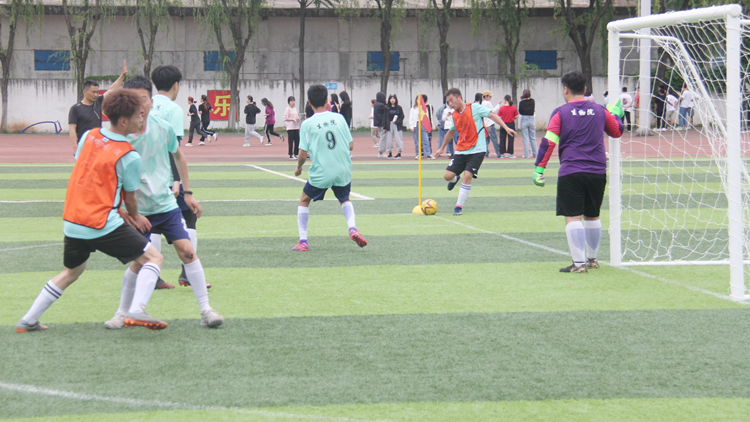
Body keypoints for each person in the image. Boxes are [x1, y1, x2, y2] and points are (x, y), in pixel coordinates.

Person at [17, 89, 167, 332]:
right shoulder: (129, 155)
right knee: (154, 258)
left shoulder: (89, 135)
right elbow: (130, 198)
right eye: (138, 115)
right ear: (123, 121)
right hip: (100, 223)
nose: (142, 119)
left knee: (71, 272)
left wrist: (117, 208)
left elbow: (91, 173)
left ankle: (28, 320)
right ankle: (137, 309)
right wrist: (135, 216)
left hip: (73, 220)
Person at [104, 76, 224, 329]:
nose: (140, 106)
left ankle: (206, 310)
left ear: (151, 101)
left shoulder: (162, 127)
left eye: (143, 99)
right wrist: (119, 208)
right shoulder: (119, 136)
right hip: (136, 209)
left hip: (165, 205)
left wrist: (187, 192)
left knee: (188, 251)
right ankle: (122, 313)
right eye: (134, 101)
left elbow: (178, 156)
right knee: (139, 262)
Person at [531, 70, 624, 273]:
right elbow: (616, 131)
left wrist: (539, 168)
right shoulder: (600, 110)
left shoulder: (560, 112)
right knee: (593, 215)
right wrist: (617, 114)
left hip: (571, 170)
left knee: (573, 217)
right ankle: (592, 260)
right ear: (584, 89)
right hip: (597, 170)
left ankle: (579, 264)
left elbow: (549, 142)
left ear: (565, 90)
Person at [292, 84, 367, 252]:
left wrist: (299, 168)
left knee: (304, 200)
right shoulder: (339, 118)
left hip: (322, 171)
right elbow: (351, 145)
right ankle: (353, 228)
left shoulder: (307, 124)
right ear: (327, 101)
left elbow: (302, 154)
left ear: (309, 102)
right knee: (345, 199)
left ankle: (303, 242)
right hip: (343, 169)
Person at [434, 87, 517, 216]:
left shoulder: (474, 108)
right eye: (448, 101)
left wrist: (506, 128)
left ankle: (458, 207)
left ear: (459, 98)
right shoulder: (455, 114)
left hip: (477, 149)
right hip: (461, 150)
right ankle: (455, 179)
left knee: (467, 176)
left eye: (451, 100)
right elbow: (451, 131)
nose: (450, 104)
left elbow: (492, 115)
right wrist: (441, 148)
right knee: (447, 176)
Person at [68, 60, 128, 152]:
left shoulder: (98, 102)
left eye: (97, 92)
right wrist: (75, 147)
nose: (96, 95)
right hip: (83, 146)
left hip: (97, 145)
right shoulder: (75, 108)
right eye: (93, 92)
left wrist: (122, 76)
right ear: (85, 92)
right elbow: (72, 129)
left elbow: (111, 90)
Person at [409, 95, 434, 159]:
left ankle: (428, 153)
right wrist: (411, 126)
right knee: (417, 140)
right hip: (416, 124)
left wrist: (427, 125)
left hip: (423, 123)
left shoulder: (424, 108)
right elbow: (411, 118)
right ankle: (418, 154)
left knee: (426, 139)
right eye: (418, 99)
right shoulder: (413, 108)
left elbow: (427, 117)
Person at [480, 90, 501, 158]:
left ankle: (486, 153)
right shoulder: (488, 103)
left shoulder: (481, 103)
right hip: (490, 123)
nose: (490, 97)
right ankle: (498, 153)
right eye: (490, 96)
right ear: (486, 96)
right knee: (494, 139)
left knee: (486, 140)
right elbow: (493, 111)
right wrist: (498, 104)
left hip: (485, 124)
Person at [518, 89, 537, 158]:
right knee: (533, 137)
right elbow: (533, 109)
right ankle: (535, 154)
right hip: (531, 118)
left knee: (525, 138)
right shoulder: (532, 101)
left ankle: (527, 154)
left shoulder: (521, 102)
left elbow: (520, 111)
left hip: (524, 118)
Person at [385, 94, 405, 159]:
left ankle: (399, 153)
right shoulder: (387, 108)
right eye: (391, 98)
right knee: (389, 139)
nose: (392, 100)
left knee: (399, 139)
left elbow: (402, 116)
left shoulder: (399, 108)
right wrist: (385, 127)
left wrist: (397, 122)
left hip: (397, 125)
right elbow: (385, 117)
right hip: (389, 125)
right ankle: (390, 153)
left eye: (394, 98)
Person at [374, 92, 390, 158]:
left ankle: (381, 152)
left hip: (378, 123)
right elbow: (387, 109)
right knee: (383, 137)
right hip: (383, 123)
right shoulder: (382, 105)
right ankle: (381, 152)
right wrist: (387, 103)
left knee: (382, 136)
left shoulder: (376, 104)